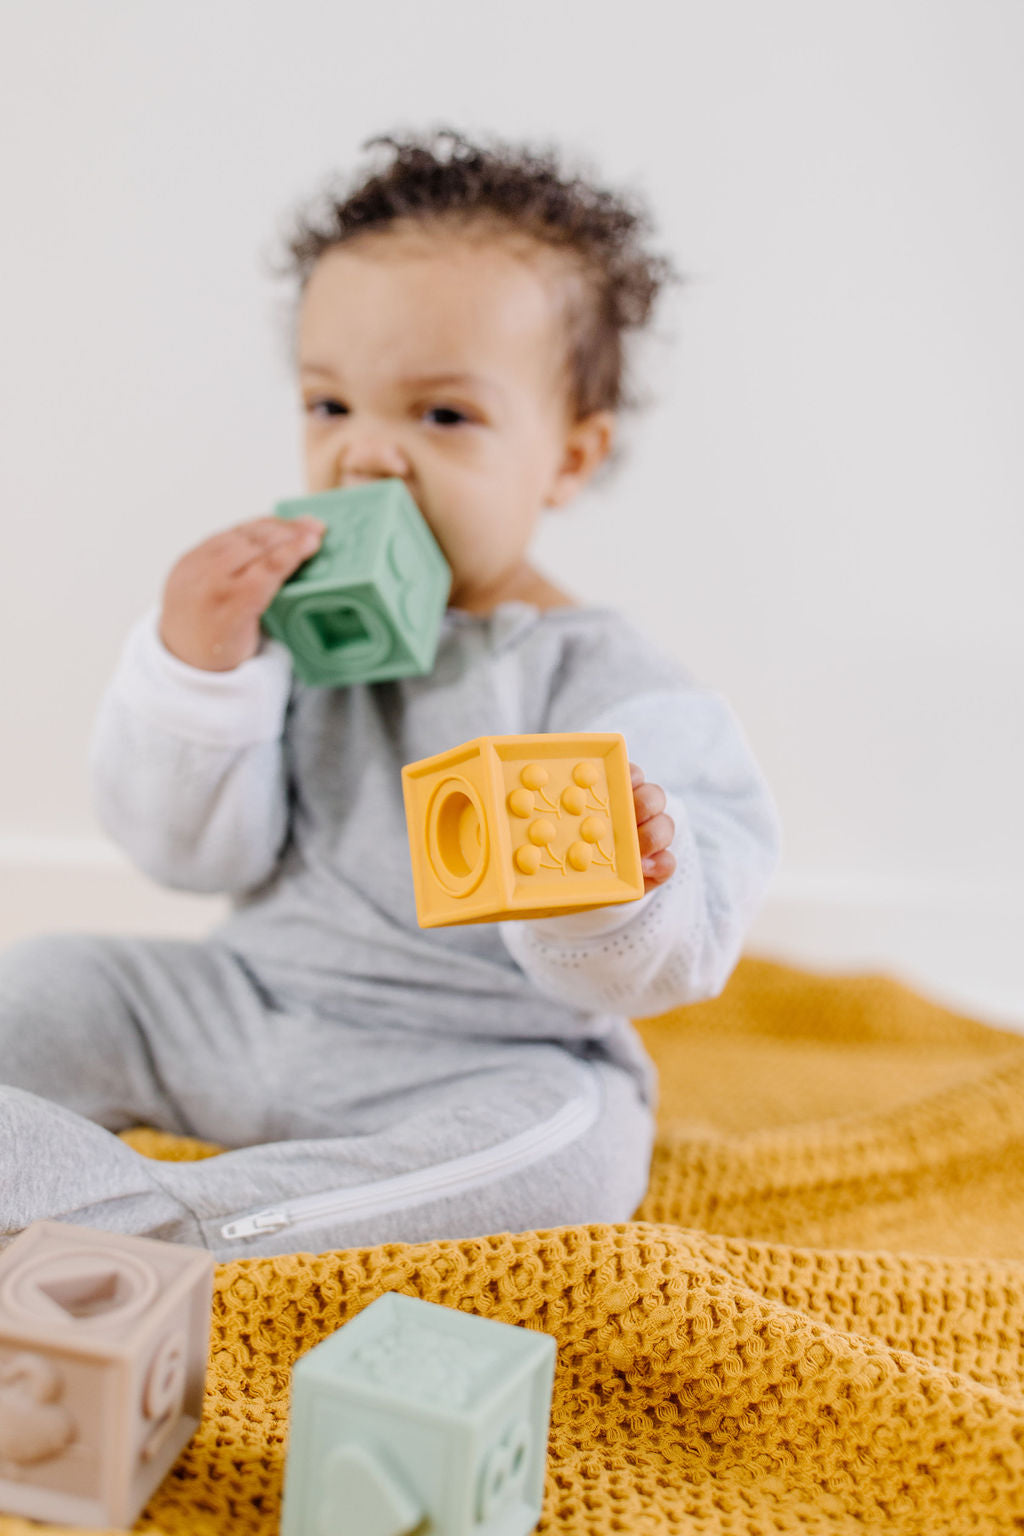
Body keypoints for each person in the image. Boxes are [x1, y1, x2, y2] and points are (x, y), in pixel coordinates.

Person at [0, 129, 780, 1259]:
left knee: (574, 1146)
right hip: (245, 998)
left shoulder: (610, 684)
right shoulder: (281, 628)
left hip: (471, 1049)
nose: (366, 457)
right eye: (329, 406)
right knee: (53, 979)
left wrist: (617, 893)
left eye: (443, 416)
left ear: (568, 457)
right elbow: (190, 856)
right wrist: (196, 670)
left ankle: (158, 1229)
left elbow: (678, 945)